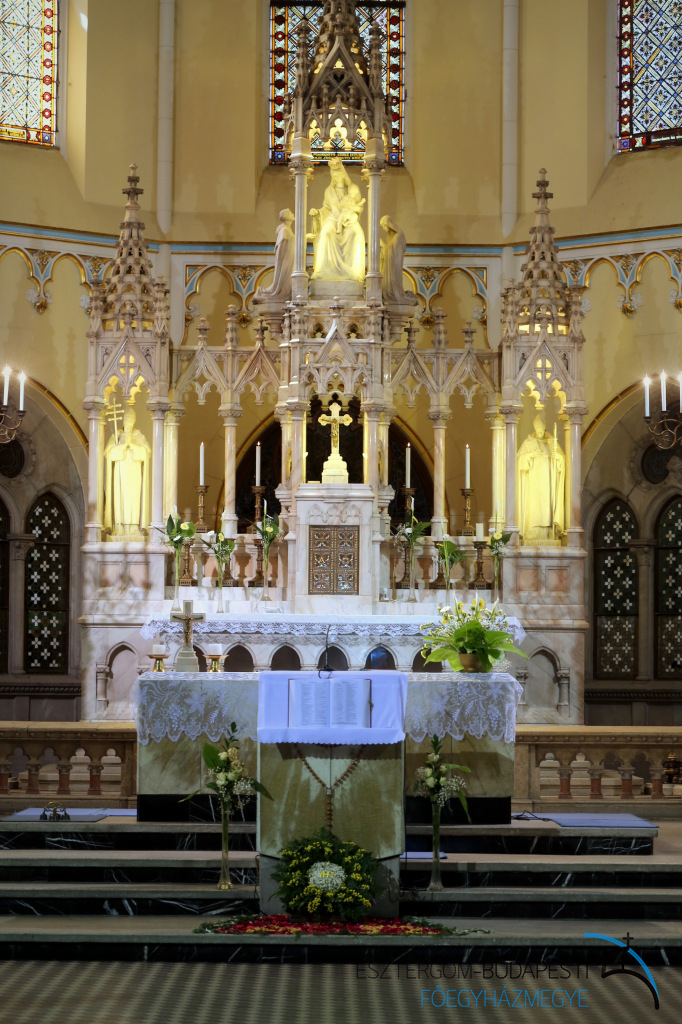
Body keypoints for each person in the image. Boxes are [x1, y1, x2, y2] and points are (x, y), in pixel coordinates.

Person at [309, 157, 366, 283]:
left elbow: (359, 207)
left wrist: (352, 212)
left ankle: (353, 272)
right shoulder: (328, 191)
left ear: (343, 176)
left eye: (338, 175)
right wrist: (317, 212)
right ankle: (323, 272)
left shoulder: (352, 189)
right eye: (334, 176)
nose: (336, 178)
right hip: (332, 218)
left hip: (349, 219)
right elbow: (326, 207)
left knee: (355, 234)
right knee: (326, 233)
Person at [103, 406, 151, 539]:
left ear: (134, 421)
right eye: (126, 419)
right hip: (120, 471)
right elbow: (108, 453)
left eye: (131, 419)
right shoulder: (117, 435)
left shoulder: (138, 435)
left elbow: (146, 452)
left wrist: (133, 446)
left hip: (134, 471)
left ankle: (134, 528)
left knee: (133, 498)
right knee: (120, 498)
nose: (128, 421)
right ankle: (120, 528)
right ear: (123, 420)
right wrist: (122, 447)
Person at [516, 414, 565, 544]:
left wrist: (558, 458)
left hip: (548, 480)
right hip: (533, 481)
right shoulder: (528, 443)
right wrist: (531, 455)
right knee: (534, 505)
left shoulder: (552, 441)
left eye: (541, 431)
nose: (539, 434)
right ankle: (533, 530)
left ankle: (548, 532)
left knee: (547, 506)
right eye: (537, 431)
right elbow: (519, 462)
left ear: (544, 429)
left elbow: (562, 461)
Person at [253, 209, 295, 304]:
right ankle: (278, 292)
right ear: (287, 217)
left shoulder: (286, 229)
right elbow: (281, 249)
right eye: (291, 213)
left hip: (290, 258)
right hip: (286, 259)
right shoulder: (284, 230)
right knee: (284, 277)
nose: (293, 214)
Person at [380, 215, 417, 304]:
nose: (384, 229)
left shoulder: (398, 235)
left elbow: (394, 252)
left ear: (389, 224)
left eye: (384, 226)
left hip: (394, 265)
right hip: (389, 264)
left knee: (393, 282)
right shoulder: (390, 236)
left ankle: (394, 294)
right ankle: (389, 293)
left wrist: (383, 246)